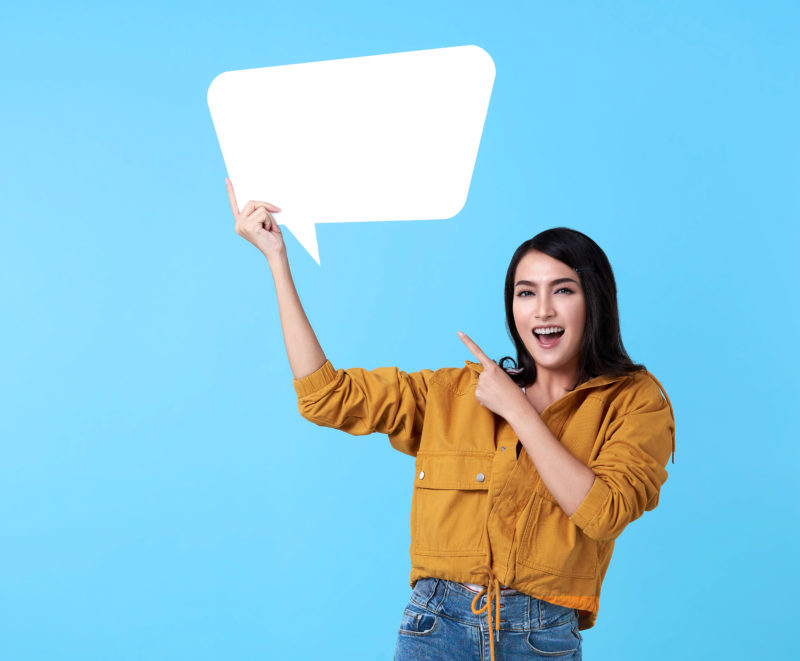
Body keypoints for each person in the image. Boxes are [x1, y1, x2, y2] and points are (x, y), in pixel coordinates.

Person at [226, 178, 676, 661]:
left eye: (562, 290)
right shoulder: (451, 395)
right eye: (526, 293)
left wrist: (517, 410)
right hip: (435, 629)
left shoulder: (635, 401)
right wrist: (276, 260)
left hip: (540, 639)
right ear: (513, 307)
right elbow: (326, 397)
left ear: (594, 300)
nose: (542, 309)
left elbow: (603, 512)